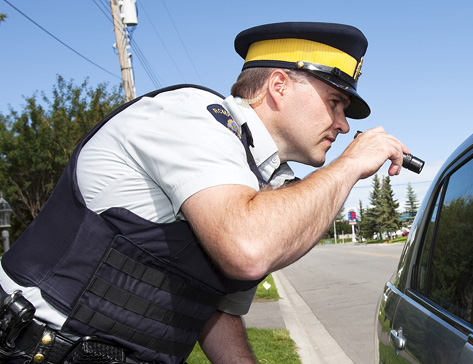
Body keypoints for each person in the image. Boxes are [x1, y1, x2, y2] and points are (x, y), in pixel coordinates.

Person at [0, 22, 411, 364]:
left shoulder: (262, 183)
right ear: (280, 86)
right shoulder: (192, 115)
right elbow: (248, 248)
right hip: (33, 350)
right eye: (335, 102)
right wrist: (352, 164)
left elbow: (214, 313)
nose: (342, 125)